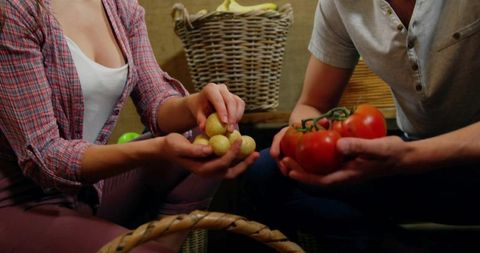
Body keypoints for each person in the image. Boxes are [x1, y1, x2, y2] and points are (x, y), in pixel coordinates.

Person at [0, 0, 259, 252]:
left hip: (87, 194)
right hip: (17, 203)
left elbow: (156, 102)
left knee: (201, 132)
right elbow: (45, 158)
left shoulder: (121, 6)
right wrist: (156, 149)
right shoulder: (15, 9)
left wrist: (195, 105)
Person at [244, 0, 480, 252]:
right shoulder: (339, 4)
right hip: (416, 168)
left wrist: (410, 157)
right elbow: (311, 105)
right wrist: (301, 136)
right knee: (267, 172)